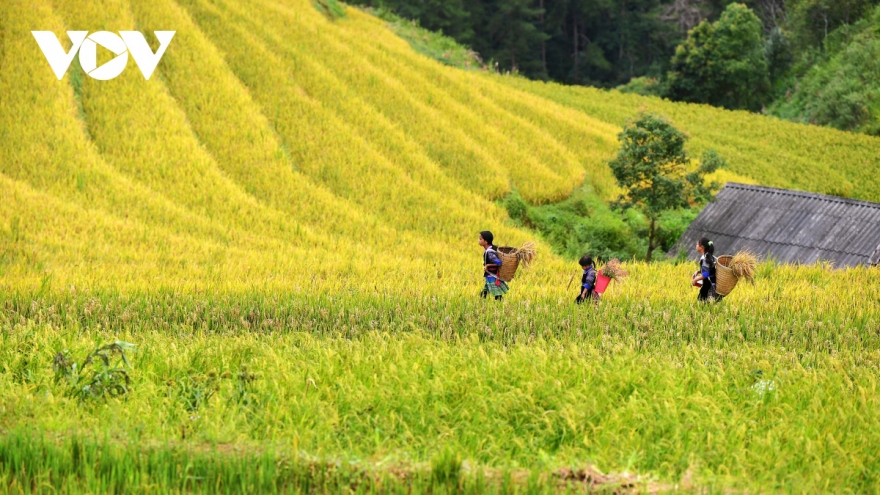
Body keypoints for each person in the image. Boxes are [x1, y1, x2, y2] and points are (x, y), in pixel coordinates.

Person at [478, 231, 508, 301]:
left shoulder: (489, 252)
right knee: (486, 290)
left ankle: (499, 303)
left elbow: (498, 262)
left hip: (492, 275)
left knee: (496, 292)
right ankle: (481, 301)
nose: (479, 241)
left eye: (480, 239)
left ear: (486, 241)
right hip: (491, 274)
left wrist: (488, 265)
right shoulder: (492, 248)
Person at [693, 237, 722, 302]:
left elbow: (706, 274)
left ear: (702, 247)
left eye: (697, 244)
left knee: (702, 305)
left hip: (708, 287)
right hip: (713, 285)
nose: (696, 245)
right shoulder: (710, 256)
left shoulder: (705, 258)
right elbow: (710, 269)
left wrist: (696, 279)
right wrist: (698, 271)